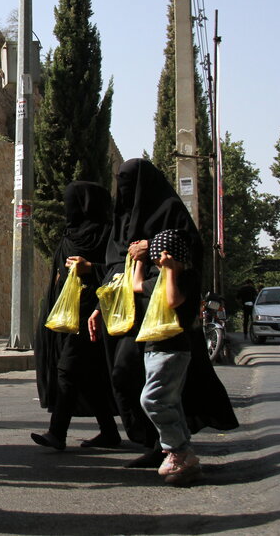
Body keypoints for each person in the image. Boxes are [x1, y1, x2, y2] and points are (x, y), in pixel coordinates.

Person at [89, 159, 238, 468]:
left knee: (155, 382)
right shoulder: (122, 221)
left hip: (164, 318)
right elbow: (115, 271)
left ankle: (171, 447)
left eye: (130, 181)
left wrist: (152, 250)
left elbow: (187, 255)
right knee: (123, 374)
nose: (124, 188)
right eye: (120, 181)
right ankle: (156, 441)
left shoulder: (170, 212)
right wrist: (98, 308)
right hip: (128, 316)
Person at [32, 181, 119, 451]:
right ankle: (109, 433)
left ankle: (57, 433)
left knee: (67, 371)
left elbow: (119, 270)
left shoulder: (107, 234)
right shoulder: (70, 235)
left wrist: (90, 267)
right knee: (89, 376)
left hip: (93, 311)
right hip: (68, 313)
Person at [134, 229, 204, 485]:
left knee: (153, 400)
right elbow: (136, 285)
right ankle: (185, 455)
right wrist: (139, 261)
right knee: (169, 401)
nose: (158, 264)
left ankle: (177, 450)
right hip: (154, 348)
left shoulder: (186, 276)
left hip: (173, 348)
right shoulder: (160, 279)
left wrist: (172, 269)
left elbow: (174, 301)